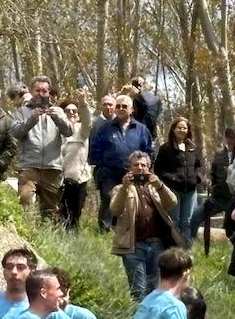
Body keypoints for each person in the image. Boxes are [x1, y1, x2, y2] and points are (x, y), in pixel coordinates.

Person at [111, 150, 182, 300]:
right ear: (129, 167)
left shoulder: (155, 187)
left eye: (144, 165)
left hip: (157, 245)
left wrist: (160, 185)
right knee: (138, 290)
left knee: (155, 289)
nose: (140, 168)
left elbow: (172, 203)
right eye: (136, 165)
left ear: (149, 167)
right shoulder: (119, 189)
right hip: (133, 246)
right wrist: (124, 187)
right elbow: (115, 209)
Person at [11, 75, 73, 222]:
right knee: (25, 199)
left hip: (53, 167)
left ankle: (47, 239)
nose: (41, 93)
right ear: (32, 91)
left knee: (50, 212)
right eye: (37, 90)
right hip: (29, 166)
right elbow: (16, 133)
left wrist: (58, 118)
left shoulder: (57, 111)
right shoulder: (23, 111)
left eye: (45, 91)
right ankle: (27, 234)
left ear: (49, 92)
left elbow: (69, 132)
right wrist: (31, 119)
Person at [88, 93, 153, 228]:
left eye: (125, 106)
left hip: (133, 172)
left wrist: (144, 168)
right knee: (109, 197)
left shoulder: (141, 129)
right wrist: (102, 165)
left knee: (131, 200)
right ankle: (105, 230)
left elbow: (148, 151)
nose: (121, 109)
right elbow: (94, 149)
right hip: (109, 172)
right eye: (118, 106)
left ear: (131, 109)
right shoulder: (104, 128)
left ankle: (127, 229)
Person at [154, 116, 204, 246]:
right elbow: (159, 170)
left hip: (190, 190)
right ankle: (173, 246)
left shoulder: (192, 148)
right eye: (179, 127)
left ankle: (186, 247)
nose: (182, 130)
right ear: (174, 130)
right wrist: (173, 179)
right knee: (174, 219)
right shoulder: (166, 148)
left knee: (187, 220)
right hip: (173, 190)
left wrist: (198, 177)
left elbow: (198, 166)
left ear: (188, 130)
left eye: (185, 128)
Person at [199, 128, 235, 253]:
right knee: (197, 215)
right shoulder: (219, 154)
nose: (231, 140)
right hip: (219, 196)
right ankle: (200, 250)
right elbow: (213, 172)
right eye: (229, 137)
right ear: (225, 138)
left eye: (234, 137)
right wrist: (210, 181)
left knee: (230, 228)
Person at [58, 95, 94, 229]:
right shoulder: (56, 131)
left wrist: (83, 104)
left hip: (78, 179)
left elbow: (88, 122)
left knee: (74, 215)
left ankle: (74, 240)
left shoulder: (82, 131)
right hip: (58, 179)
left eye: (75, 111)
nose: (71, 113)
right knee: (59, 214)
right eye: (67, 111)